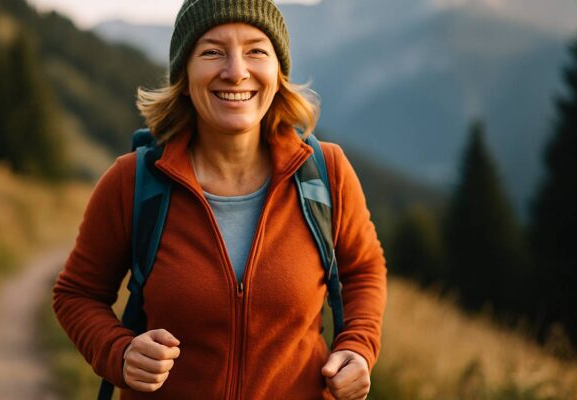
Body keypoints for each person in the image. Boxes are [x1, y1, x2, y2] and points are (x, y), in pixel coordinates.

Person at [52, 0, 387, 398]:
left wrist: (358, 347)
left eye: (256, 51)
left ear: (278, 72)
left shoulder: (326, 171)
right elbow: (76, 294)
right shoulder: (132, 180)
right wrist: (118, 351)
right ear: (184, 72)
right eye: (212, 51)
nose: (235, 71)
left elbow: (364, 270)